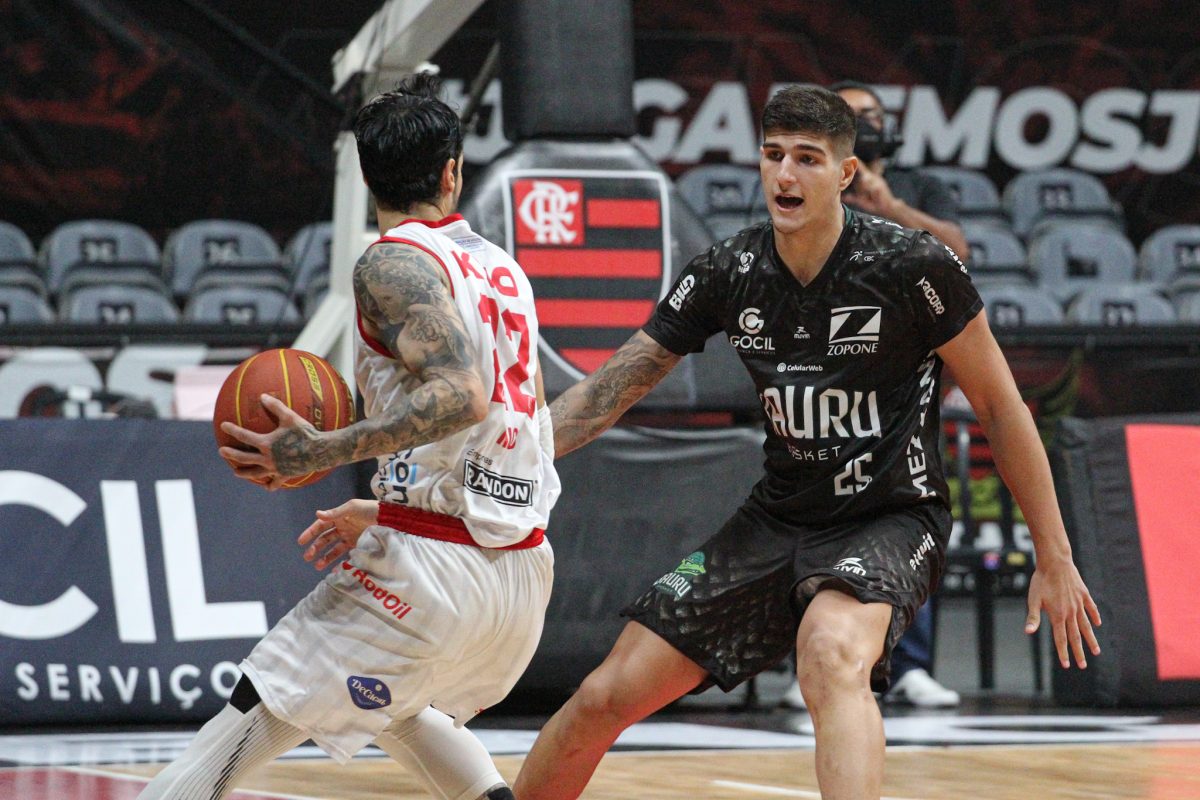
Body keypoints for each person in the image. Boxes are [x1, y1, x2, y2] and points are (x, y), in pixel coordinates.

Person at [512, 85, 1100, 800]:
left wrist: (1054, 554)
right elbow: (612, 388)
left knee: (829, 654)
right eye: (773, 155)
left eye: (807, 158)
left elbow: (1003, 410)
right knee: (604, 696)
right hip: (778, 517)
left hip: (890, 515)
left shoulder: (912, 266)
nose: (785, 175)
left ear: (846, 173)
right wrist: (509, 456)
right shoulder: (727, 270)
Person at [138, 73, 558, 800]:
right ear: (453, 172)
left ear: (366, 178)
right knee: (395, 703)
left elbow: (461, 396)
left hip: (433, 573)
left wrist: (322, 450)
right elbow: (521, 425)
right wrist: (394, 506)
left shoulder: (391, 262)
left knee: (257, 703)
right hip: (520, 575)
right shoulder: (504, 272)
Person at [778, 80, 972, 711]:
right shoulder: (807, 185)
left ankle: (909, 665)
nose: (867, 122)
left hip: (904, 385)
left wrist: (889, 205)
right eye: (853, 114)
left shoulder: (919, 187)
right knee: (814, 524)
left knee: (908, 518)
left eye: (874, 115)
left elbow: (957, 251)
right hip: (825, 381)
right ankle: (813, 663)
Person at [833, 79, 970, 262]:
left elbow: (958, 253)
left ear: (886, 127)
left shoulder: (922, 185)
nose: (859, 125)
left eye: (868, 115)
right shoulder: (811, 184)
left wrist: (892, 208)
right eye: (847, 117)